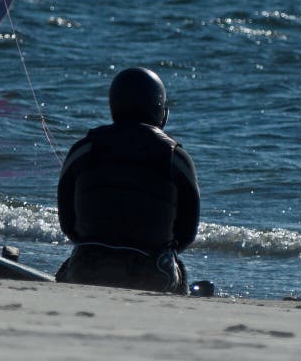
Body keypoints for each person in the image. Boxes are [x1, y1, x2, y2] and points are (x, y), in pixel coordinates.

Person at [56, 67, 199, 294]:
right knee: (177, 266)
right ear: (161, 111)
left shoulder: (83, 149)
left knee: (69, 266)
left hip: (87, 269)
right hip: (152, 275)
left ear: (113, 105)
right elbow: (186, 234)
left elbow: (68, 224)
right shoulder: (176, 157)